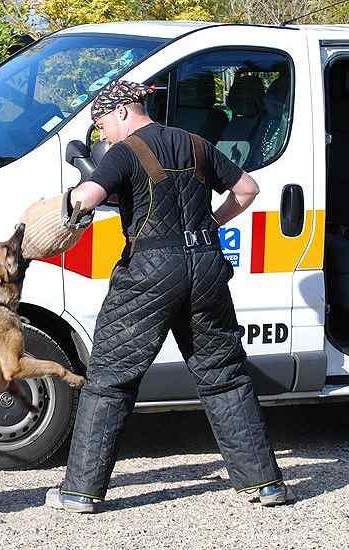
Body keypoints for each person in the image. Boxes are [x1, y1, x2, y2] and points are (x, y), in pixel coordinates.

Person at [45, 80, 294, 512]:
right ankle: (264, 485)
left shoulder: (124, 152)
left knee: (109, 379)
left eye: (101, 123)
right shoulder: (196, 144)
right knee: (224, 374)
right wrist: (213, 222)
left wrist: (60, 210)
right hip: (206, 267)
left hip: (150, 273)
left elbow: (86, 198)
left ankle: (80, 491)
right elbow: (247, 188)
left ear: (122, 111)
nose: (101, 134)